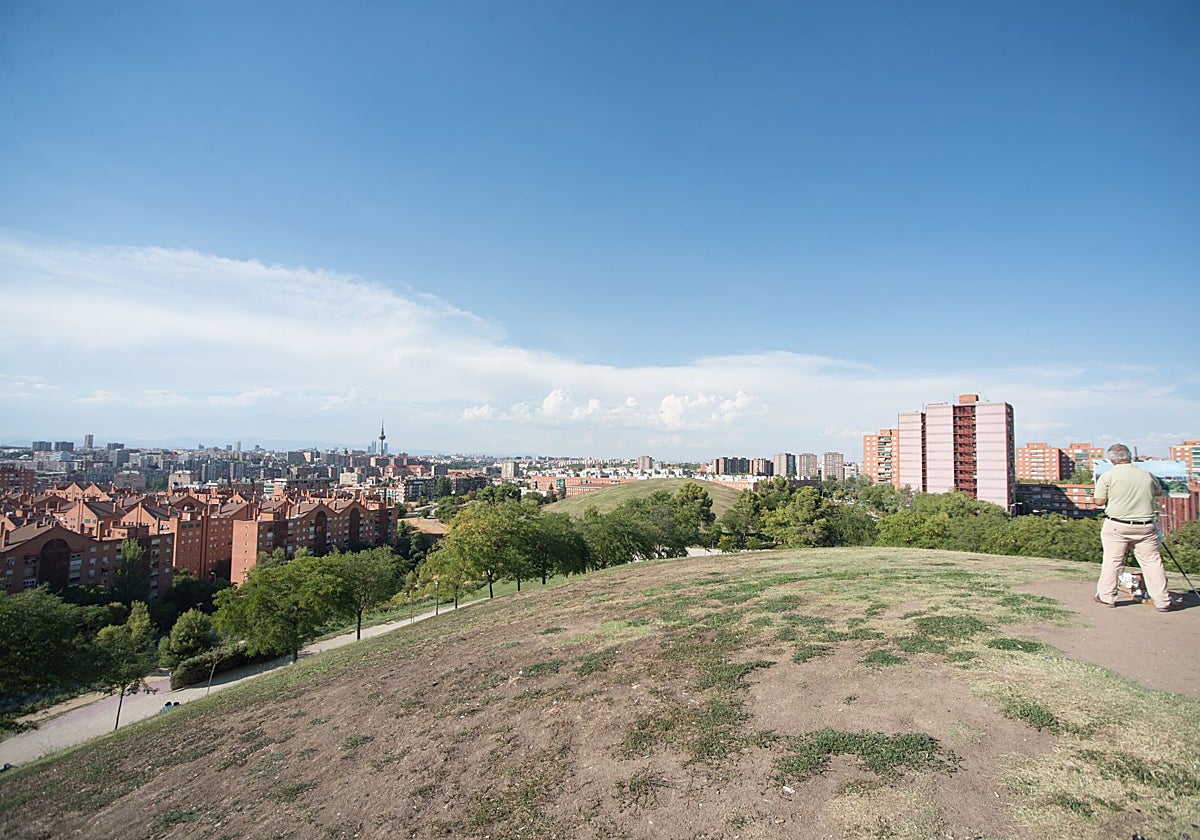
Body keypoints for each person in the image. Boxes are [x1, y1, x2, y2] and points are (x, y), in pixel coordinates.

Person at [1093, 444, 1176, 613]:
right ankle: (1162, 600)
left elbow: (1099, 501)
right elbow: (1158, 491)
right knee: (1152, 562)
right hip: (1145, 525)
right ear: (1129, 456)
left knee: (1112, 561)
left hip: (1117, 525)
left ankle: (1107, 596)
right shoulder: (1146, 475)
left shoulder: (1107, 476)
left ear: (1111, 459)